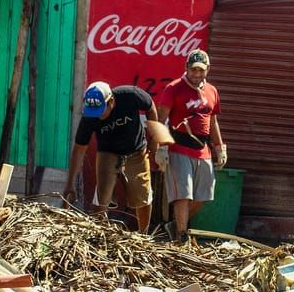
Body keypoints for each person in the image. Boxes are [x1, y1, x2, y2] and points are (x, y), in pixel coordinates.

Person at [156, 49, 227, 243]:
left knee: (205, 194)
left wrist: (219, 147)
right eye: (193, 70)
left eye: (201, 70)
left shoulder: (212, 91)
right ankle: (181, 235)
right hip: (178, 146)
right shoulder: (173, 88)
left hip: (203, 150)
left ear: (208, 70)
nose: (197, 74)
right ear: (186, 68)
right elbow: (160, 119)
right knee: (183, 195)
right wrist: (161, 147)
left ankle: (174, 225)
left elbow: (213, 122)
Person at [68, 80, 156, 231]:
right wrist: (69, 183)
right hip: (107, 151)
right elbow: (79, 149)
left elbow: (150, 106)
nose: (99, 116)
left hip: (135, 150)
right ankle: (99, 234)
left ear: (111, 102)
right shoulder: (89, 117)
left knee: (143, 195)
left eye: (102, 110)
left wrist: (154, 138)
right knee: (102, 196)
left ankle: (144, 234)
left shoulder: (130, 95)